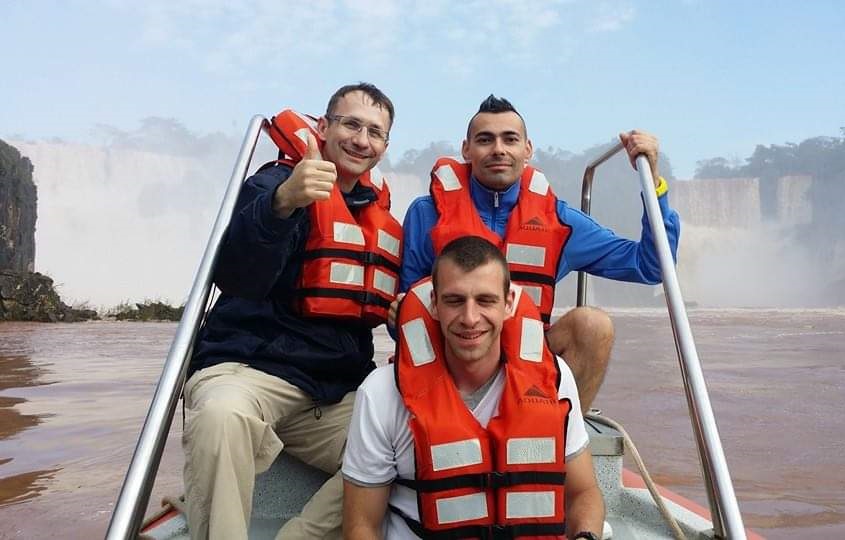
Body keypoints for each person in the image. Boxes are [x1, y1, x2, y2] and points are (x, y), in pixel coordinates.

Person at [183, 82, 400, 540]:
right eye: (351, 124)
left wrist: (402, 314)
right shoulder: (271, 184)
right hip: (248, 371)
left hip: (332, 390)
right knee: (222, 417)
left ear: (383, 147)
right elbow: (239, 275)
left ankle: (301, 536)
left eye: (375, 132)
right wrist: (283, 204)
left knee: (416, 438)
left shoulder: (378, 216)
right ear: (323, 127)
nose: (362, 140)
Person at [395, 95, 680, 412]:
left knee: (593, 325)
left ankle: (564, 436)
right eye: (485, 140)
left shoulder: (560, 222)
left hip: (526, 360)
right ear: (466, 150)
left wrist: (653, 183)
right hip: (451, 362)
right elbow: (405, 308)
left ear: (527, 149)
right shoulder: (426, 213)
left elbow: (651, 267)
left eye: (510, 139)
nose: (499, 149)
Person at [343, 236, 605, 539]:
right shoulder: (382, 393)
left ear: (507, 305)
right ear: (435, 304)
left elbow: (584, 492)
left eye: (485, 300)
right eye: (455, 301)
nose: (470, 318)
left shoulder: (555, 379)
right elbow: (361, 525)